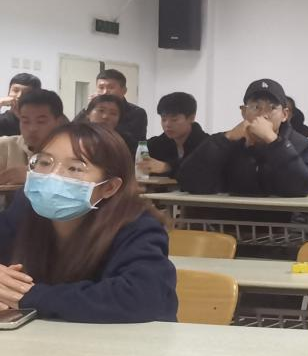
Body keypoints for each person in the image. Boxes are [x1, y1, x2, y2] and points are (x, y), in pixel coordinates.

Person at [0, 123, 176, 323]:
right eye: (45, 162)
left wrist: (28, 296)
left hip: (123, 340)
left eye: (75, 168)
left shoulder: (137, 225)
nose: (52, 176)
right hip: (43, 336)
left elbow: (141, 296)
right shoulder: (25, 209)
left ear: (109, 187)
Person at [178, 79, 308, 197]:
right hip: (229, 221)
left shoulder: (305, 146)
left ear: (285, 115)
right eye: (255, 107)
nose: (263, 115)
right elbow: (188, 181)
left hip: (285, 223)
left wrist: (274, 141)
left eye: (272, 108)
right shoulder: (227, 143)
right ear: (243, 112)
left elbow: (305, 186)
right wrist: (225, 139)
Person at [139, 91, 207, 180]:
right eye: (163, 119)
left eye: (174, 119)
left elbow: (201, 170)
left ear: (191, 118)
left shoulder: (207, 144)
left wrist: (167, 167)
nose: (167, 124)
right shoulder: (155, 144)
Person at [0, 89, 63, 185]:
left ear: (58, 122)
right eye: (25, 121)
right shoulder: (5, 147)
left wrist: (34, 176)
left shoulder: (72, 152)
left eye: (41, 122)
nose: (32, 128)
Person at [95, 69, 147, 149]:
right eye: (101, 87)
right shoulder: (93, 110)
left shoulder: (137, 113)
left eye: (111, 87)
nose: (105, 92)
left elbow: (137, 144)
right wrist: (90, 108)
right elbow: (76, 132)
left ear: (124, 91)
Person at [0, 72, 40, 137]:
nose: (19, 96)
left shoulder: (40, 123)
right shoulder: (2, 120)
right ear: (8, 92)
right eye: (15, 90)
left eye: (26, 93)